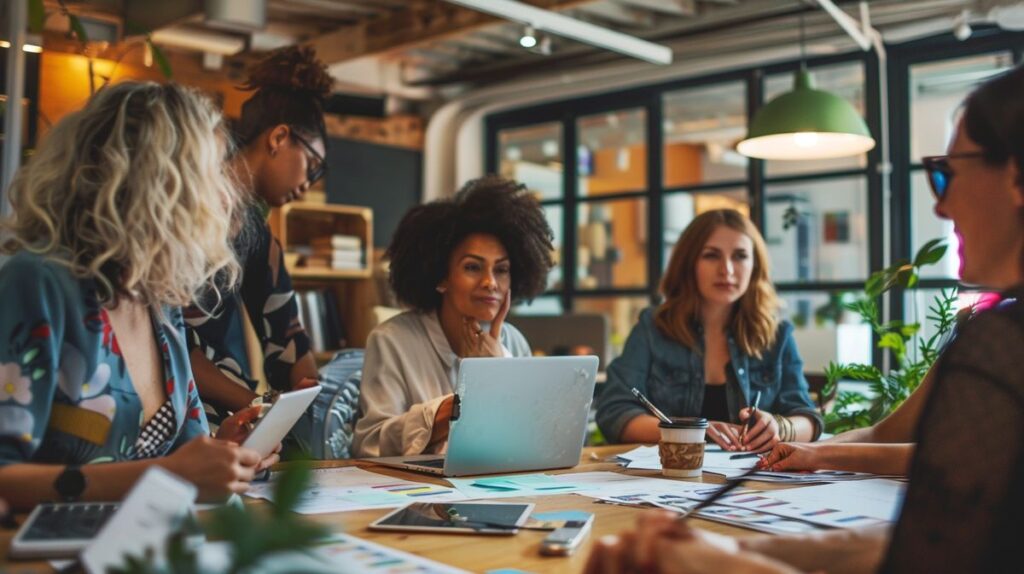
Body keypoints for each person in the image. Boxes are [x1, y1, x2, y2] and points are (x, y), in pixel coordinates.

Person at [584, 64, 1024, 574]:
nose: (940, 205)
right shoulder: (991, 334)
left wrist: (720, 565)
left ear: (1015, 176)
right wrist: (741, 550)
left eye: (948, 172)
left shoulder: (1000, 345)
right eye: (711, 256)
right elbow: (909, 510)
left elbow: (932, 551)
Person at [0, 82, 276, 510]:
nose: (227, 192)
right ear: (157, 183)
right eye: (212, 172)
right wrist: (165, 475)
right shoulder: (38, 283)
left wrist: (224, 453)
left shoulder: (158, 299)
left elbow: (180, 453)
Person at [352, 176, 554, 457]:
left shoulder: (514, 343)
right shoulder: (392, 341)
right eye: (473, 267)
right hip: (419, 496)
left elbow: (538, 441)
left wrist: (500, 372)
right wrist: (460, 404)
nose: (490, 282)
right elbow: (370, 443)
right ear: (441, 277)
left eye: (502, 270)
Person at [185, 45, 331, 425]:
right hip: (178, 421)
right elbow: (169, 348)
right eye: (312, 167)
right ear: (279, 137)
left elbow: (286, 333)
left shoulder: (256, 236)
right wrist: (260, 408)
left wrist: (306, 395)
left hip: (228, 421)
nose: (309, 185)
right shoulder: (183, 214)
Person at [595, 209, 822, 452]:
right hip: (670, 477)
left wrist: (780, 427)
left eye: (740, 256)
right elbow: (615, 412)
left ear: (755, 265)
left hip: (751, 480)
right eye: (711, 256)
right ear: (689, 263)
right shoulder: (653, 328)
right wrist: (691, 432)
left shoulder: (776, 335)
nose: (727, 270)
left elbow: (809, 419)